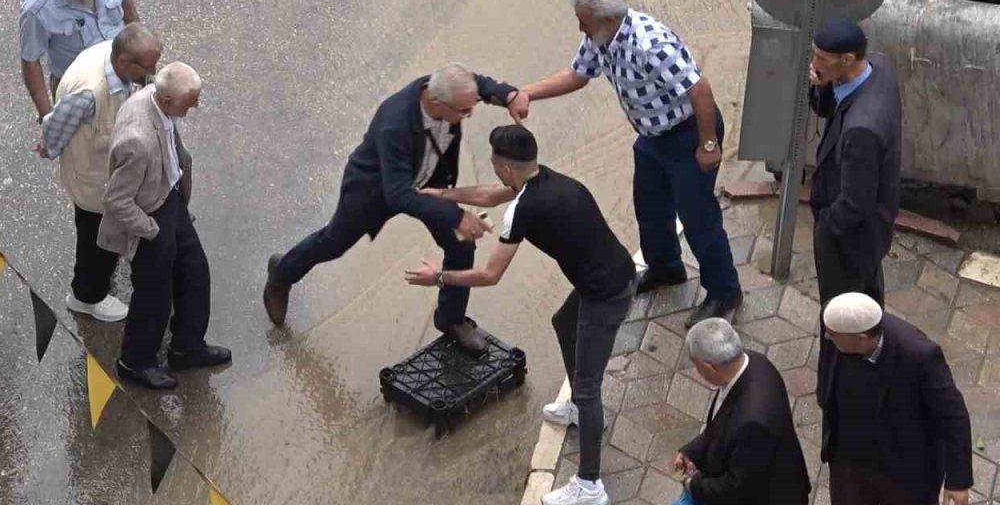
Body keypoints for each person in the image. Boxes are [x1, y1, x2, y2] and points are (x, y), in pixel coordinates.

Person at [404, 125, 638, 505]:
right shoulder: (545, 178)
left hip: (606, 293)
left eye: (496, 164)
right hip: (611, 272)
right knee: (564, 324)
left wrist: (439, 278)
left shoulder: (523, 210)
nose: (495, 171)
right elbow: (487, 194)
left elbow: (490, 275)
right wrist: (442, 195)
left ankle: (590, 485)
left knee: (589, 387)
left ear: (507, 170)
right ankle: (580, 409)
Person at [520, 0, 742, 327]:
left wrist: (709, 145)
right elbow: (578, 75)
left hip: (687, 135)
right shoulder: (601, 36)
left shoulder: (649, 45)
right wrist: (527, 93)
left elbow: (700, 90)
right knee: (650, 208)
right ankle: (666, 268)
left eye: (584, 21)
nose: (579, 27)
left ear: (608, 19)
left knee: (699, 219)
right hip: (652, 137)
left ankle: (724, 292)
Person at [262, 63, 528, 354]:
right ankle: (282, 273)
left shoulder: (449, 89)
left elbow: (478, 83)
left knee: (461, 247)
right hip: (375, 190)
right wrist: (458, 215)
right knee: (333, 243)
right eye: (464, 112)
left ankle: (450, 319)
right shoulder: (395, 123)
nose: (469, 115)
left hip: (430, 181)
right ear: (436, 102)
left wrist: (509, 94)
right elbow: (399, 194)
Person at [98, 62, 230, 389]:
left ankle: (186, 347)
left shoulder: (159, 101)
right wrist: (153, 231)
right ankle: (135, 362)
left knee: (195, 271)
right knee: (154, 295)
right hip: (150, 215)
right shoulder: (137, 141)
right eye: (191, 101)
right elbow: (116, 200)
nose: (196, 106)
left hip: (169, 198)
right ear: (168, 101)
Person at [40, 24, 162, 322]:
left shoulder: (115, 56)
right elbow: (53, 129)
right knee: (95, 241)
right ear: (123, 61)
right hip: (93, 183)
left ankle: (94, 281)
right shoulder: (90, 92)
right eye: (147, 67)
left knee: (103, 237)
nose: (153, 72)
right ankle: (86, 296)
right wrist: (48, 147)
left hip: (106, 172)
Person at [818, 293, 972, 505]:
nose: (826, 336)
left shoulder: (919, 355)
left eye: (832, 335)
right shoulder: (835, 322)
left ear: (861, 338)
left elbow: (953, 414)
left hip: (902, 469)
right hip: (849, 459)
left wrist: (958, 480)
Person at [807, 19, 901, 306]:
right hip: (874, 228)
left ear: (848, 59)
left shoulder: (862, 129)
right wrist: (821, 85)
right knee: (869, 299)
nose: (814, 63)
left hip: (850, 238)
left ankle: (843, 352)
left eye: (821, 59)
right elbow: (826, 110)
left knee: (841, 312)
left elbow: (855, 203)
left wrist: (826, 228)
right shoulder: (877, 69)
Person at [672, 318, 810, 505]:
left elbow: (737, 486)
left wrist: (693, 483)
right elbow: (721, 424)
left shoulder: (752, 422)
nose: (697, 372)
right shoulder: (754, 361)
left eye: (697, 367)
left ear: (709, 367)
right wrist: (692, 451)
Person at [19, 0, 141, 120]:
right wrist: (47, 117)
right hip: (80, 94)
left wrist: (141, 56)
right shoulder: (37, 8)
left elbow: (127, 4)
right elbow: (31, 62)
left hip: (123, 75)